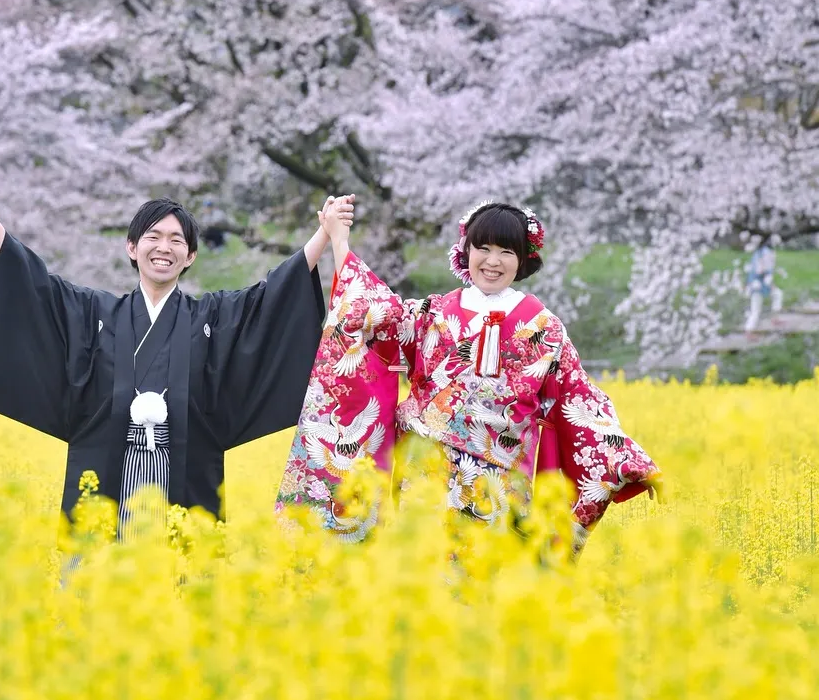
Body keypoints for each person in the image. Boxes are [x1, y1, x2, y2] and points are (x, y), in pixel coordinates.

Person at [0, 165, 332, 539]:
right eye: (153, 237)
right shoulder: (94, 312)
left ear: (190, 256)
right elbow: (35, 287)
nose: (164, 248)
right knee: (99, 571)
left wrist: (323, 234)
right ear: (132, 247)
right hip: (105, 475)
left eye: (177, 240)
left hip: (184, 477)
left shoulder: (212, 318)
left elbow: (270, 299)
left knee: (182, 570)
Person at [279, 196, 662, 554]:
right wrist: (339, 239)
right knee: (421, 576)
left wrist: (627, 462)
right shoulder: (433, 313)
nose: (493, 261)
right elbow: (368, 311)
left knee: (487, 579)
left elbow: (578, 399)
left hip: (498, 483)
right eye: (484, 248)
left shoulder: (543, 327)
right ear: (467, 251)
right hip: (423, 476)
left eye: (506, 252)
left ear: (523, 259)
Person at [744, 240, 783, 333]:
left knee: (777, 294)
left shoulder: (762, 252)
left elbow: (767, 270)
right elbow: (761, 271)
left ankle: (775, 318)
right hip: (757, 286)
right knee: (756, 310)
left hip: (762, 284)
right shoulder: (763, 253)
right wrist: (769, 282)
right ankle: (749, 330)